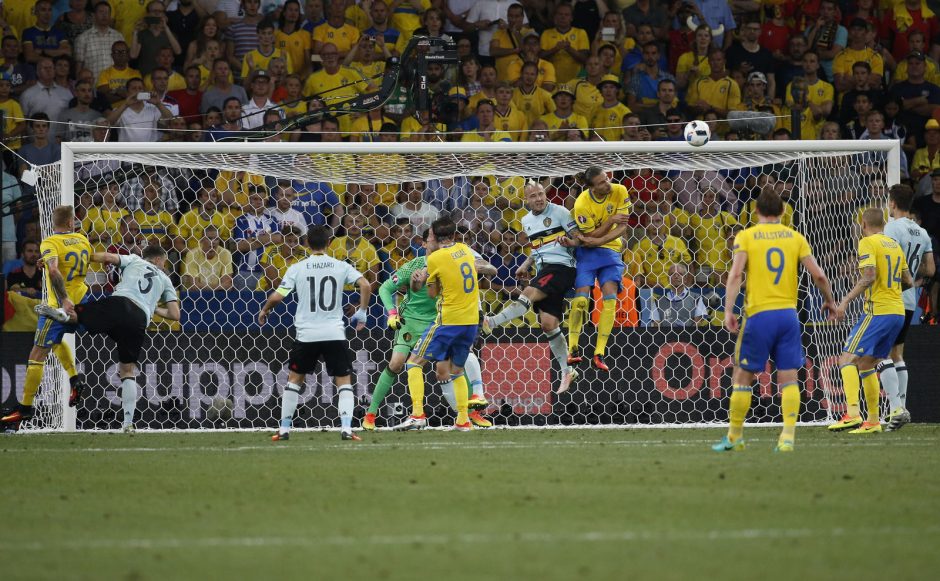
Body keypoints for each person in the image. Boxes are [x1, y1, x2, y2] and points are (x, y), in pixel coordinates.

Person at [713, 190, 839, 453]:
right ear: (783, 212)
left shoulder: (746, 236)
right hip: (788, 316)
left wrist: (728, 310)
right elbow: (820, 275)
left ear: (755, 211)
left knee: (742, 375)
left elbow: (735, 275)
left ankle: (735, 437)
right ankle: (787, 438)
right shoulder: (795, 238)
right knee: (790, 378)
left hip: (759, 315)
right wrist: (829, 301)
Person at [34, 245, 179, 432]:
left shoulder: (135, 259)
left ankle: (65, 314)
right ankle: (128, 424)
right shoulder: (166, 279)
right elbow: (175, 315)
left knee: (80, 315)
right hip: (139, 318)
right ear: (160, 260)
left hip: (119, 303)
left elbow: (108, 258)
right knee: (127, 371)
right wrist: (153, 307)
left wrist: (81, 257)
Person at [368, 227, 496, 431]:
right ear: (425, 244)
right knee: (398, 363)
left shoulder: (450, 258)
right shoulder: (416, 265)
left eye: (433, 238)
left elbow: (484, 272)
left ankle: (464, 414)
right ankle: (371, 413)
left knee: (441, 369)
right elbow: (386, 288)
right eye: (428, 239)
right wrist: (393, 312)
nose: (432, 242)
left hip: (440, 320)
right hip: (414, 321)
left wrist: (474, 267)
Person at [258, 224, 371, 442]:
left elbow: (277, 296)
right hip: (334, 333)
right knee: (343, 380)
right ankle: (346, 428)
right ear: (330, 243)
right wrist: (362, 312)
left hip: (307, 334)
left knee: (294, 380)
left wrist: (265, 310)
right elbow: (365, 285)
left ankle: (283, 430)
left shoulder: (297, 268)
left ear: (306, 244)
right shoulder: (340, 266)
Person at [482, 182, 579, 393]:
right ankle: (566, 370)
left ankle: (492, 321)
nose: (539, 198)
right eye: (533, 196)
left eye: (541, 193)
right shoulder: (526, 221)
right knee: (548, 324)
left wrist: (569, 241)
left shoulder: (561, 212)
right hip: (544, 270)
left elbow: (579, 238)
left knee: (527, 293)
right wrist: (525, 265)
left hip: (563, 267)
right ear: (526, 200)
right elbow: (537, 249)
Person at [1, 206, 90, 429]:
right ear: (71, 223)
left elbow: (54, 271)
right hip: (83, 300)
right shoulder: (82, 239)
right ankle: (74, 378)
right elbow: (77, 264)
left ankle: (25, 407)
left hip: (57, 306)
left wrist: (63, 299)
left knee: (37, 354)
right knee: (56, 341)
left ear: (54, 223)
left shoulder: (50, 242)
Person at [829, 208, 913, 435]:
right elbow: (908, 280)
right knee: (866, 364)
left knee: (846, 358)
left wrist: (845, 301)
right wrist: (890, 290)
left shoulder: (867, 242)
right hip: (898, 312)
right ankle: (873, 421)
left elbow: (869, 275)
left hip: (878, 312)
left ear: (864, 224)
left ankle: (852, 414)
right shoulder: (894, 245)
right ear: (884, 223)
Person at [399, 217, 481, 431]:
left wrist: (424, 280)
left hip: (449, 319)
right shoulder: (464, 249)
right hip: (471, 320)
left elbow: (432, 293)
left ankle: (417, 414)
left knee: (414, 362)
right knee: (456, 370)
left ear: (434, 237)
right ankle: (463, 419)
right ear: (454, 236)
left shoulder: (435, 258)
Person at [561, 166, 631, 371]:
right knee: (581, 300)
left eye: (607, 178)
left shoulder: (620, 191)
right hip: (587, 255)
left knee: (610, 299)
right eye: (601, 182)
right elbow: (591, 238)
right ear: (591, 187)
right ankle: (573, 349)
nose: (607, 183)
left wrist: (597, 240)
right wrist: (609, 222)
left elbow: (622, 228)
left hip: (610, 253)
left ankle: (599, 353)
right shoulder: (582, 203)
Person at [879, 185, 934, 431]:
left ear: (892, 203)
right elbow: (930, 270)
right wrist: (914, 274)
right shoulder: (921, 232)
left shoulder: (891, 228)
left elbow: (888, 259)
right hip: (910, 299)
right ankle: (902, 406)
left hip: (891, 297)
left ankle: (895, 409)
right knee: (897, 354)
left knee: (881, 354)